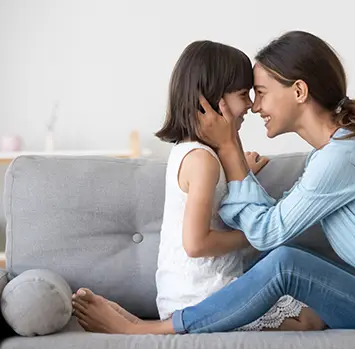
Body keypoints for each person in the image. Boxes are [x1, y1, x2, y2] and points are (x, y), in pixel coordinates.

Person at [72, 40, 325, 334]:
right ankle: (146, 328)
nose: (249, 106)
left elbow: (216, 196)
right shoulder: (202, 162)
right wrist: (250, 236)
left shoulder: (195, 154)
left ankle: (141, 324)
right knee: (310, 319)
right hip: (201, 296)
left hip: (192, 293)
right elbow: (196, 244)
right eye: (243, 95)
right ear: (211, 100)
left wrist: (242, 172)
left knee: (307, 311)